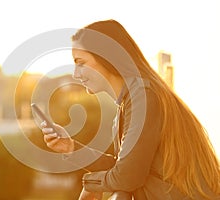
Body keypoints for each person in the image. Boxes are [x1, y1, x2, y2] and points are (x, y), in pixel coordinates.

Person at [41, 19, 220, 199]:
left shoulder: (143, 96)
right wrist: (70, 147)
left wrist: (92, 184)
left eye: (81, 63)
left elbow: (127, 177)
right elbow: (124, 167)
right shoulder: (130, 101)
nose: (75, 74)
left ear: (106, 57)